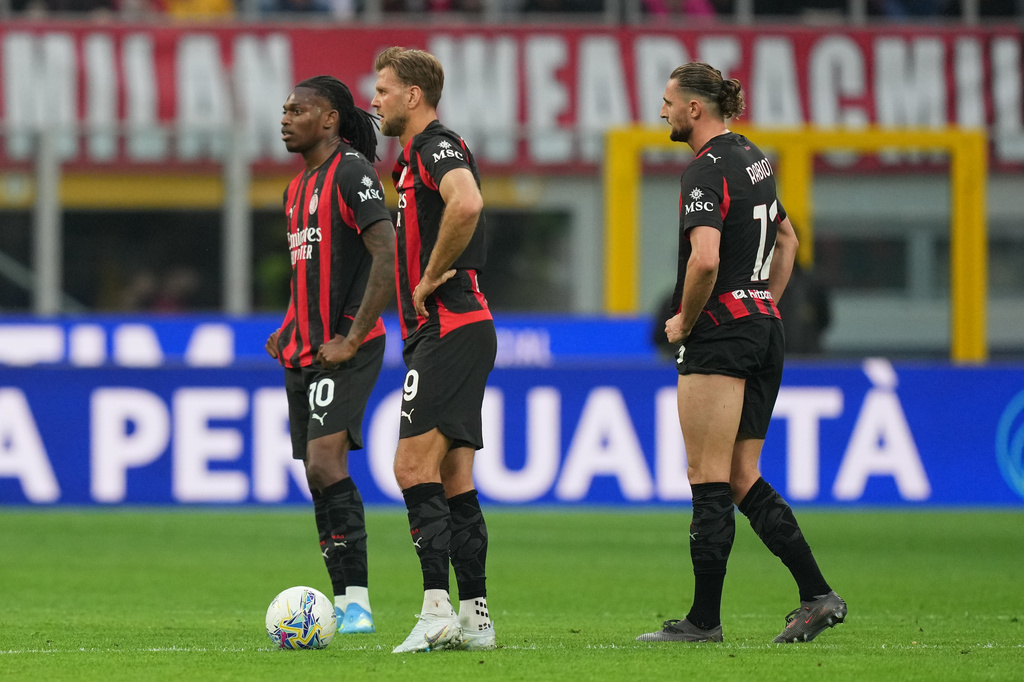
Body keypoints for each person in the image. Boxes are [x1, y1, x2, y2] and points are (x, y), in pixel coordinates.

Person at [636, 62, 846, 645]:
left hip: (721, 336)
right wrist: (762, 304)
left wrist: (684, 320)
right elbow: (787, 239)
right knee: (739, 475)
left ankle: (703, 621)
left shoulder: (703, 171)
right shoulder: (755, 160)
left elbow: (704, 260)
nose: (663, 112)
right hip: (762, 329)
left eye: (668, 101)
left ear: (694, 109)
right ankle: (817, 595)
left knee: (707, 477)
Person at [371, 46, 497, 654]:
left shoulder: (434, 146)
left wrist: (427, 277)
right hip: (460, 328)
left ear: (413, 96)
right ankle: (475, 619)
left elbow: (467, 201)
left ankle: (436, 610)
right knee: (454, 479)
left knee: (410, 468)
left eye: (384, 89)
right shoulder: (410, 160)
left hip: (448, 326)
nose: (375, 99)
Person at [265, 75, 396, 637]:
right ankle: (343, 602)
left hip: (348, 348)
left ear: (330, 119)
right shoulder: (297, 189)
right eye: (285, 110)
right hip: (306, 347)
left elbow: (385, 252)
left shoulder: (351, 173)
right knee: (315, 476)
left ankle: (358, 603)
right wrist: (289, 326)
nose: (286, 118)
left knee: (325, 463)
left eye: (298, 110)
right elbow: (315, 271)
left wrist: (351, 335)